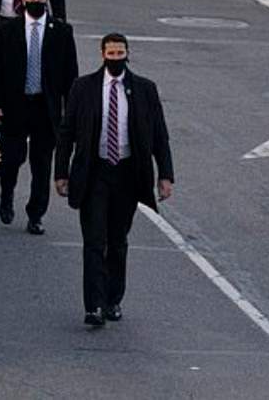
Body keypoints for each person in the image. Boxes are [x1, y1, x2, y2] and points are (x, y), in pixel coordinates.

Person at [54, 34, 174, 329]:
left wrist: (166, 175)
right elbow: (67, 132)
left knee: (117, 241)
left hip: (127, 173)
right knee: (94, 240)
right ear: (102, 54)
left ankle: (112, 299)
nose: (116, 57)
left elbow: (160, 134)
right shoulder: (83, 88)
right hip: (94, 173)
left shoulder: (144, 90)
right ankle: (93, 305)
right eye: (111, 52)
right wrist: (61, 173)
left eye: (121, 52)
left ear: (128, 54)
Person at [0, 0, 77, 234]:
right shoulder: (8, 29)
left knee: (42, 164)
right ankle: (7, 196)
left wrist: (69, 111)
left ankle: (36, 214)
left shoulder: (61, 32)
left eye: (41, 0)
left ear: (47, 0)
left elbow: (70, 74)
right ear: (23, 0)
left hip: (45, 108)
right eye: (32, 0)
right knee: (11, 159)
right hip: (14, 106)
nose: (37, 4)